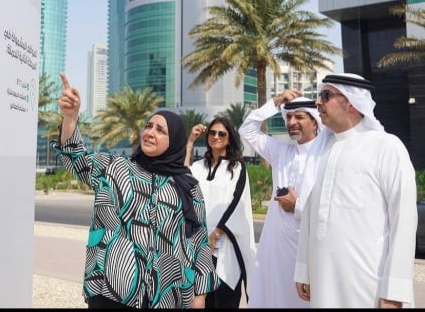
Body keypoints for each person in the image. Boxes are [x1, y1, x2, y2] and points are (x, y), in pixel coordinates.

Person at [52, 72, 219, 309]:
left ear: (176, 141)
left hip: (167, 297)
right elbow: (75, 158)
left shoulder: (187, 186)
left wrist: (199, 299)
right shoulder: (115, 168)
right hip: (112, 293)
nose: (150, 132)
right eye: (149, 126)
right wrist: (71, 117)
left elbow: (199, 242)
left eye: (161, 130)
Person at [294, 73, 418, 308]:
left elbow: (404, 222)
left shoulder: (386, 147)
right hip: (323, 284)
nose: (317, 103)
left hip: (369, 285)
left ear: (351, 102)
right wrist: (303, 269)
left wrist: (394, 291)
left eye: (325, 95)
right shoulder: (323, 151)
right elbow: (310, 216)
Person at [238, 91, 322, 308]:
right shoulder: (281, 152)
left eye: (299, 117)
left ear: (315, 122)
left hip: (309, 250)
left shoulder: (327, 155)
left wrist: (297, 206)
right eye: (288, 117)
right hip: (276, 252)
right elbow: (247, 129)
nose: (292, 122)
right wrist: (274, 102)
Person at [184, 116, 256, 309]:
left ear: (229, 138)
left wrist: (216, 233)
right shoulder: (199, 167)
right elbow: (181, 181)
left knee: (225, 299)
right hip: (200, 246)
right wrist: (190, 142)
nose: (216, 136)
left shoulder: (237, 167)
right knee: (200, 299)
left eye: (221, 133)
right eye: (212, 133)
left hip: (226, 246)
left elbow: (237, 203)